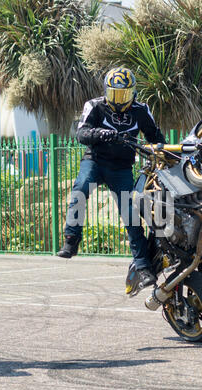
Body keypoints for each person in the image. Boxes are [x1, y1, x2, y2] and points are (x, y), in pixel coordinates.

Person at [57, 67, 166, 289]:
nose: (119, 100)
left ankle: (143, 267)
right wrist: (99, 133)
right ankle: (71, 240)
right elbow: (81, 133)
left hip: (121, 168)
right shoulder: (94, 106)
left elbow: (156, 137)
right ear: (107, 91)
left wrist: (159, 151)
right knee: (81, 188)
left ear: (133, 93)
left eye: (124, 94)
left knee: (131, 216)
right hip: (95, 161)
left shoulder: (141, 110)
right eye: (115, 94)